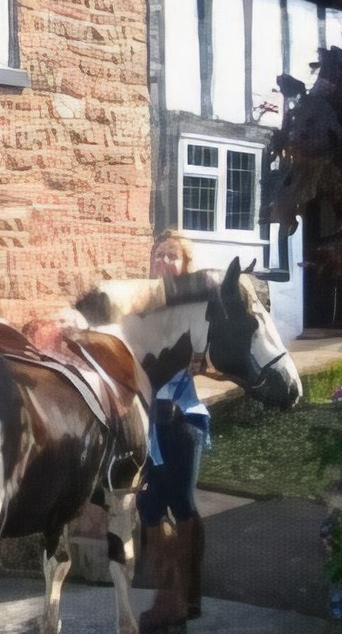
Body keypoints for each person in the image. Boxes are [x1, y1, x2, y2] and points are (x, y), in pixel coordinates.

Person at [138, 230, 210, 634]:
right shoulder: (140, 306)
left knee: (182, 504)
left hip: (183, 417)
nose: (163, 261)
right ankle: (165, 597)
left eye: (172, 256)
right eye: (159, 255)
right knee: (149, 507)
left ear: (185, 265)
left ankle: (186, 598)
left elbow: (206, 359)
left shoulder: (194, 306)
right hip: (146, 419)